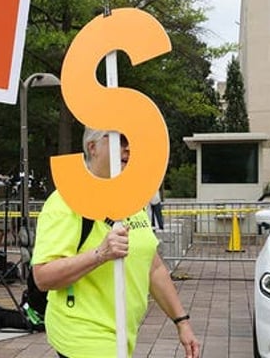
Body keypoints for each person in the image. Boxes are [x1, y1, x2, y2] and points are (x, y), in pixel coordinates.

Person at [31, 129, 200, 358]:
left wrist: (182, 322)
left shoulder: (130, 199)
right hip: (84, 335)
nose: (128, 148)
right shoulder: (66, 200)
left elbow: (154, 267)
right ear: (92, 147)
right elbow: (42, 276)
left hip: (121, 334)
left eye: (132, 140)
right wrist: (100, 254)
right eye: (120, 140)